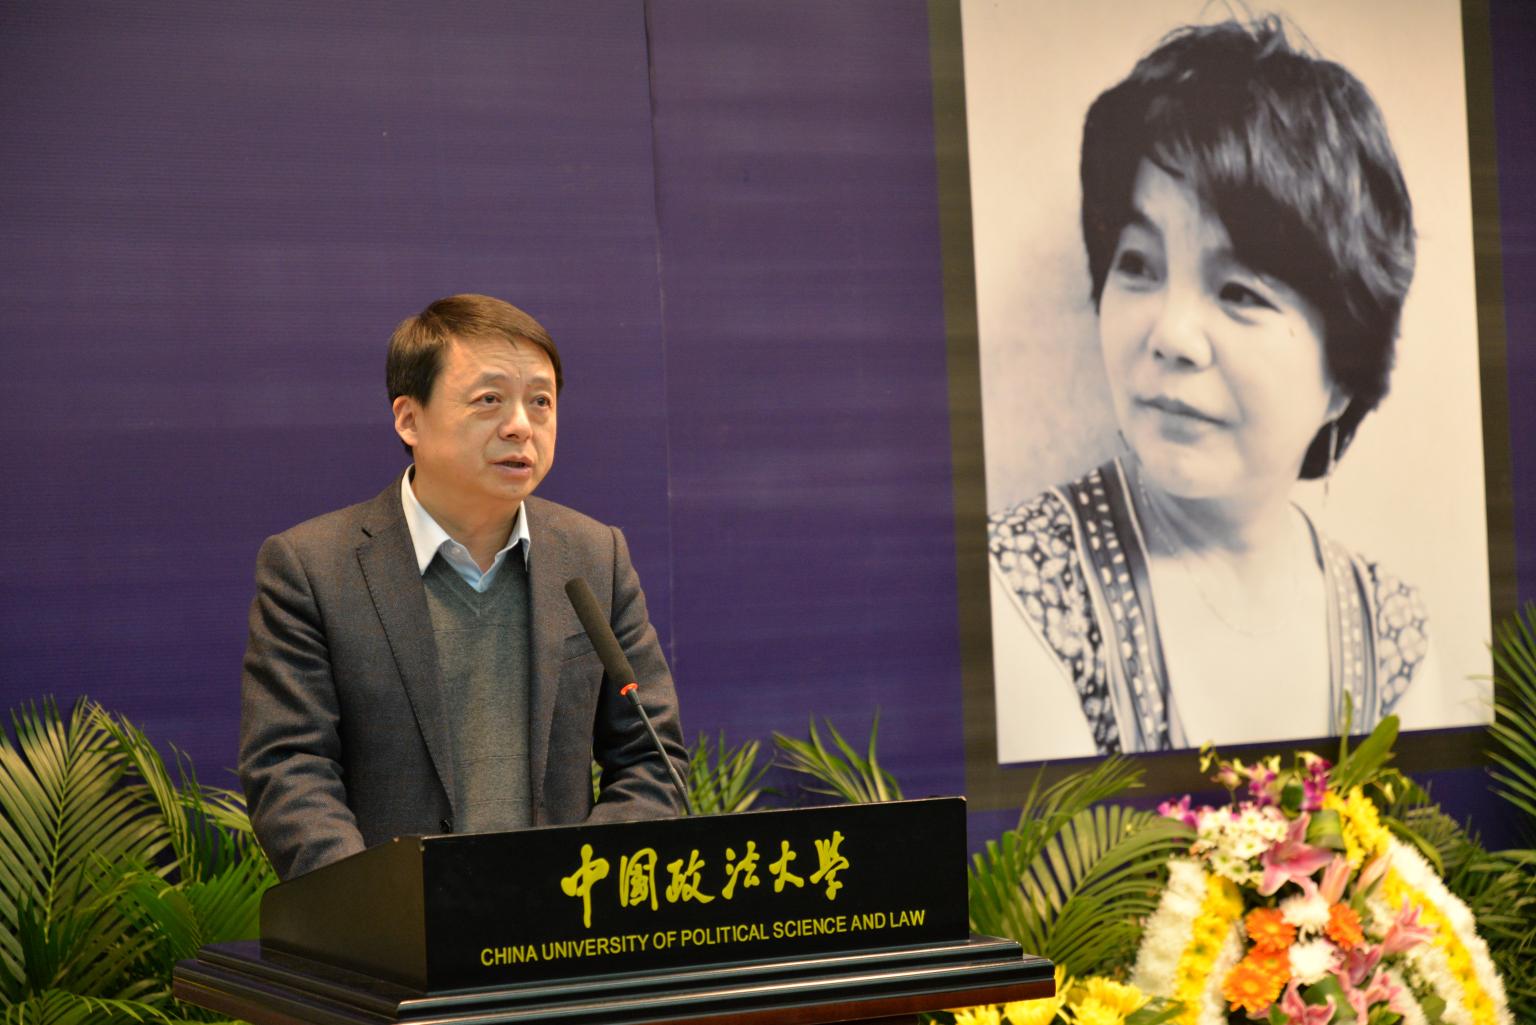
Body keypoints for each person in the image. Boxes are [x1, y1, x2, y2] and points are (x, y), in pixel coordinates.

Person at [989, 17, 1444, 760]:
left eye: (1239, 291)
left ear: (1344, 373)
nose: (1171, 335)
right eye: (1138, 264)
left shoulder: (1391, 636)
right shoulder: (1020, 590)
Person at [240, 294, 686, 879]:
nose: (521, 426)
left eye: (541, 401)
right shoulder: (313, 567)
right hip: (394, 926)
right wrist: (380, 908)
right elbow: (290, 769)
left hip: (563, 919)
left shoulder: (594, 556)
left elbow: (651, 758)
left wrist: (581, 887)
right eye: (489, 400)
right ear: (409, 418)